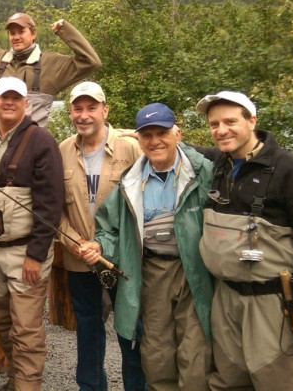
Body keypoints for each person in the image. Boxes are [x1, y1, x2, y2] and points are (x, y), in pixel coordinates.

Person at [194, 91, 293, 390]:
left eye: (230, 121)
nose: (221, 130)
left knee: (274, 381)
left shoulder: (291, 170)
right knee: (227, 381)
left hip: (273, 300)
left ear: (252, 120)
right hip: (226, 296)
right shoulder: (218, 162)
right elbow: (172, 145)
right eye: (214, 124)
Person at [80, 103, 214, 391]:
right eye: (147, 135)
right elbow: (109, 229)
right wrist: (98, 246)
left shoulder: (205, 172)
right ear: (139, 140)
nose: (155, 142)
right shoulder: (129, 181)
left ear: (177, 133)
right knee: (156, 357)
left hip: (195, 272)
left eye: (162, 133)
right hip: (151, 273)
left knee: (195, 357)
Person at [0, 77, 64, 391]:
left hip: (25, 253)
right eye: (3, 97)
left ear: (27, 104)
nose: (9, 102)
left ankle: (27, 385)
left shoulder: (42, 141)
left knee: (26, 330)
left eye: (16, 98)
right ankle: (15, 379)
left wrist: (36, 256)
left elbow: (51, 204)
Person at [59, 81, 146, 391]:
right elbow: (56, 211)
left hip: (123, 259)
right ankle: (91, 387)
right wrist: (76, 243)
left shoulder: (131, 146)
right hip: (80, 259)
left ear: (105, 110)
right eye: (77, 108)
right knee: (87, 329)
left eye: (91, 108)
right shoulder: (63, 150)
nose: (84, 115)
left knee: (131, 331)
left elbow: (146, 202)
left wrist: (107, 244)